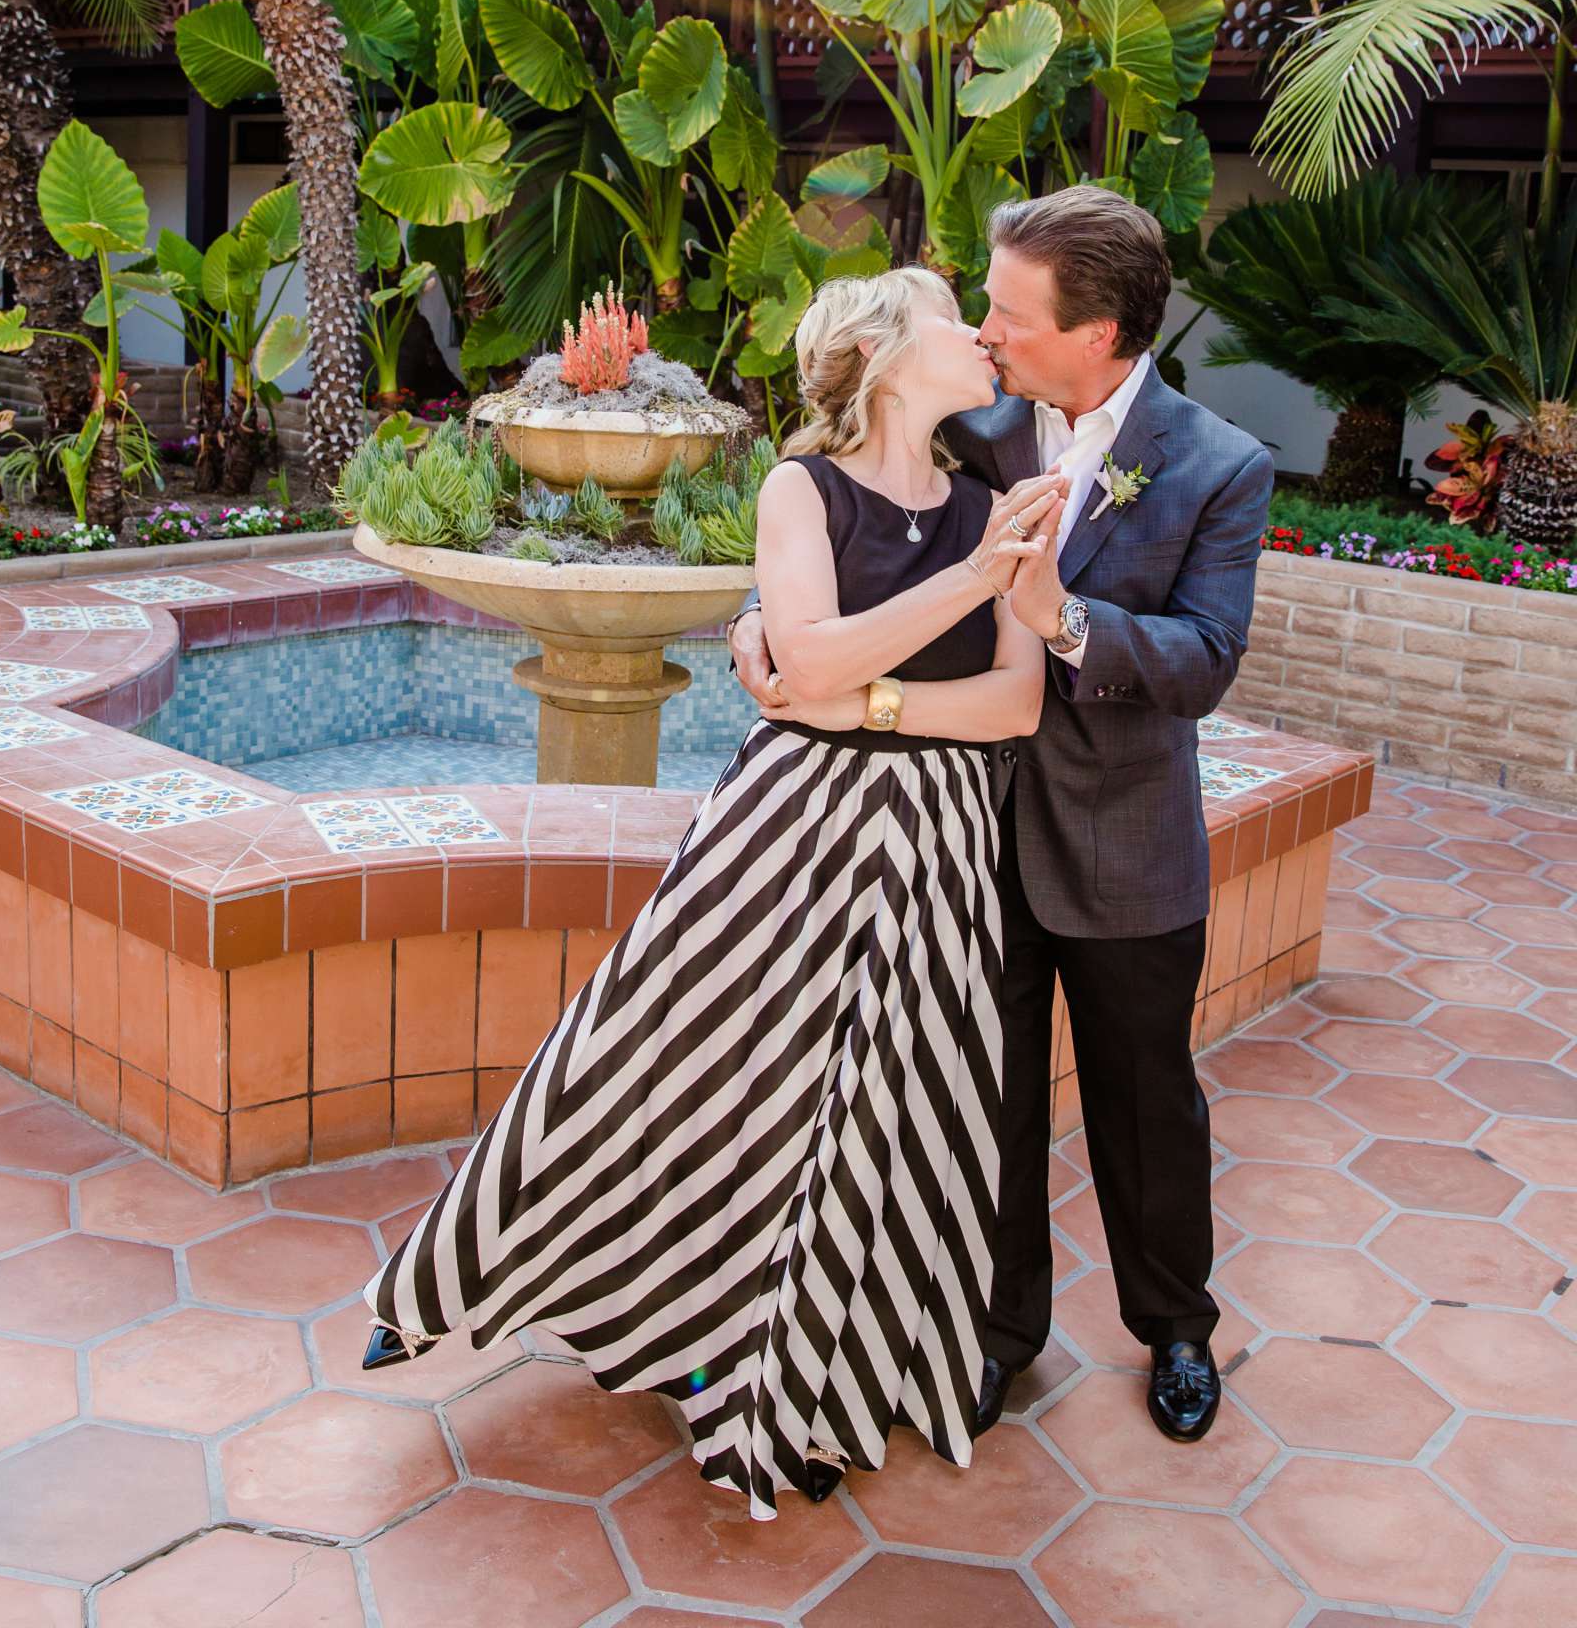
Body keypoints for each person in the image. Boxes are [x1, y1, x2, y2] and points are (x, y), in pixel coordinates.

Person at [360, 267, 1049, 1518]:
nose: (980, 337)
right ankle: (468, 1281)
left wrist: (868, 702)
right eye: (957, 318)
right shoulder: (802, 489)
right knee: (661, 1062)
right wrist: (961, 589)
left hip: (942, 844)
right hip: (784, 833)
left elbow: (1011, 706)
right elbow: (801, 658)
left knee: (887, 1108)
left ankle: (812, 1380)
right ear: (891, 355)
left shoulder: (995, 496)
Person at [735, 186, 1274, 1448]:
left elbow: (1204, 660)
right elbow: (875, 526)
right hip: (961, 839)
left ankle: (1176, 1328)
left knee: (1146, 1101)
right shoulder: (979, 425)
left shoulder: (1218, 467)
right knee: (988, 1102)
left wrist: (1066, 622)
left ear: (1097, 336)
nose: (985, 328)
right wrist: (765, 625)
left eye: (1010, 311)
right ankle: (994, 1334)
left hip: (1124, 844)